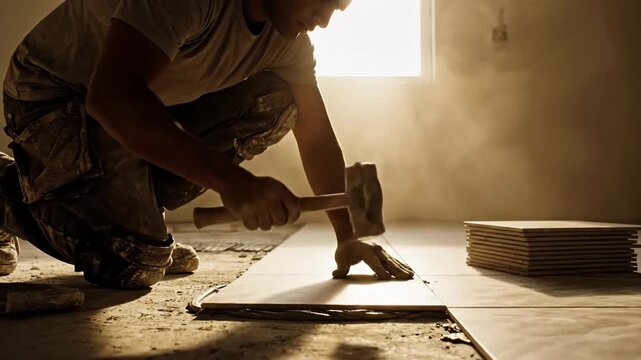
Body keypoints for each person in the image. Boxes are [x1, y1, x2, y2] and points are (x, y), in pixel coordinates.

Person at [0, 0, 413, 289]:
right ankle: (6, 193)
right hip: (54, 96)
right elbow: (112, 96)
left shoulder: (289, 42)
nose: (324, 20)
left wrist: (346, 236)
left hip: (131, 109)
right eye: (323, 1)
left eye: (336, 10)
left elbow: (317, 137)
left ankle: (138, 222)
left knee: (280, 100)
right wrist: (234, 183)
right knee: (132, 263)